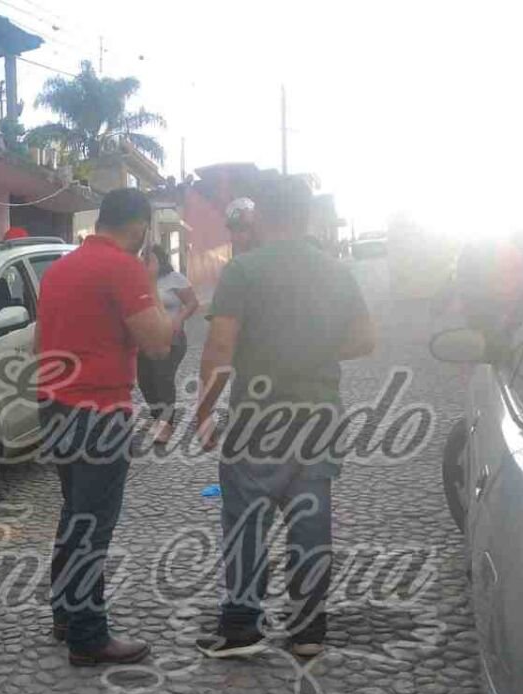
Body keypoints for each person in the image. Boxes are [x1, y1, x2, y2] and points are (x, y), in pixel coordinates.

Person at [194, 175, 375, 660]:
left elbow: (219, 348)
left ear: (258, 216)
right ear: (306, 215)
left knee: (247, 521)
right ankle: (309, 629)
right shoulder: (334, 271)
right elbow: (364, 340)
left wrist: (204, 412)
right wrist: (310, 349)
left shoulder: (244, 271)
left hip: (258, 421)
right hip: (318, 417)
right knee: (310, 521)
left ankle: (241, 628)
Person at [37, 188, 175, 666]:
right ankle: (88, 637)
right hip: (98, 412)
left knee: (74, 514)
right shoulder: (123, 266)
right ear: (139, 225)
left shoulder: (59, 269)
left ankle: (64, 613)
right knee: (92, 524)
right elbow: (158, 342)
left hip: (54, 407)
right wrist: (155, 287)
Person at [139, 245, 200, 443]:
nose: (145, 261)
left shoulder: (175, 279)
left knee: (162, 378)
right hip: (145, 338)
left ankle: (165, 425)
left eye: (150, 258)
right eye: (143, 257)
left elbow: (192, 303)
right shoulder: (139, 280)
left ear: (160, 260)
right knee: (145, 380)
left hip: (171, 338)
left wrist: (180, 318)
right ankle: (158, 416)